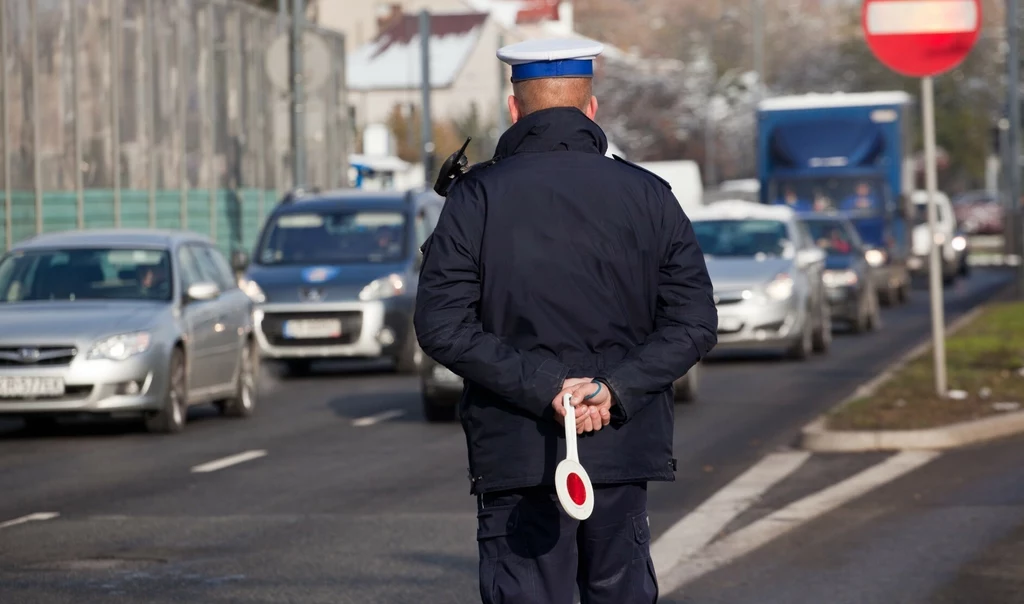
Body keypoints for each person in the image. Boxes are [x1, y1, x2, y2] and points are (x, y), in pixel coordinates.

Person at [413, 38, 718, 604]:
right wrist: (611, 389)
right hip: (619, 448)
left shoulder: (475, 198)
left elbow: (441, 325)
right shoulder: (649, 196)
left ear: (514, 109)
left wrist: (546, 389)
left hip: (517, 450)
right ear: (592, 107)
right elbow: (695, 321)